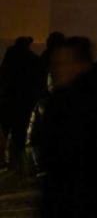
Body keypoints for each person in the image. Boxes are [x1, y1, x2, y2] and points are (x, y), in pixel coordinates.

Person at [41, 36, 97, 218]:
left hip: (89, 199)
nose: (56, 69)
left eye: (63, 63)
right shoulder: (58, 99)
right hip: (62, 198)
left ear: (81, 64)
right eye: (55, 63)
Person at [0, 36, 41, 171]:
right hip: (23, 103)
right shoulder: (33, 60)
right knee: (19, 134)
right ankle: (15, 163)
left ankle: (6, 161)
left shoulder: (10, 58)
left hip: (8, 102)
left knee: (5, 130)